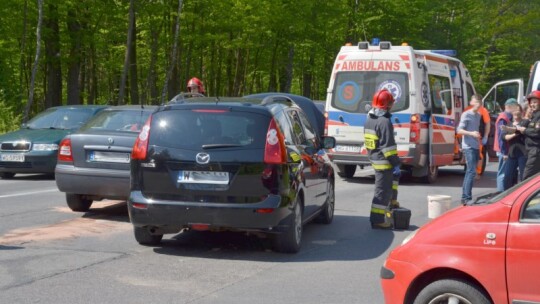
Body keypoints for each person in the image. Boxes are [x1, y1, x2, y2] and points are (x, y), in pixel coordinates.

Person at [364, 89, 401, 229]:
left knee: (388, 187)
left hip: (376, 159)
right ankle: (377, 220)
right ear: (387, 105)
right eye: (391, 103)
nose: (392, 106)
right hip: (384, 162)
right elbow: (388, 147)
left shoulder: (370, 120)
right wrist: (396, 163)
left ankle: (392, 202)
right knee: (381, 192)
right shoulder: (384, 122)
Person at [457, 96, 482, 205]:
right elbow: (459, 130)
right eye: (476, 102)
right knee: (471, 171)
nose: (478, 104)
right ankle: (466, 197)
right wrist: (471, 133)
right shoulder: (466, 114)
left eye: (480, 102)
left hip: (475, 145)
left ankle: (466, 197)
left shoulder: (479, 115)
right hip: (468, 146)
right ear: (471, 102)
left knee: (471, 172)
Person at [494, 98, 518, 191]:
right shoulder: (503, 118)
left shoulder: (506, 117)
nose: (516, 109)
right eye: (515, 107)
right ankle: (500, 194)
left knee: (505, 173)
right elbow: (501, 137)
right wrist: (504, 152)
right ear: (509, 106)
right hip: (503, 150)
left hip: (505, 149)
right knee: (503, 173)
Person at [464, 94, 490, 179]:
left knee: (479, 155)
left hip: (479, 137)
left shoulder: (483, 110)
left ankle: (477, 172)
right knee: (470, 155)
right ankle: (471, 171)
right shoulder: (467, 110)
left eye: (476, 101)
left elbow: (487, 124)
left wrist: (485, 136)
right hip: (469, 136)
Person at [515, 90, 540, 179]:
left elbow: (537, 132)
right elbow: (520, 127)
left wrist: (525, 131)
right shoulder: (533, 116)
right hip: (529, 150)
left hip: (536, 150)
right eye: (531, 102)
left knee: (526, 177)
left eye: (535, 102)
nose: (532, 104)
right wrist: (526, 116)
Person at [504, 104, 527, 186]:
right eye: (514, 113)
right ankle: (507, 194)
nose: (516, 115)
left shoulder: (525, 122)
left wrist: (516, 131)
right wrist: (515, 134)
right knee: (507, 176)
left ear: (521, 112)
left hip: (523, 153)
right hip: (512, 153)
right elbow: (505, 137)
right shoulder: (509, 124)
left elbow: (524, 131)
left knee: (523, 177)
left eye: (518, 112)